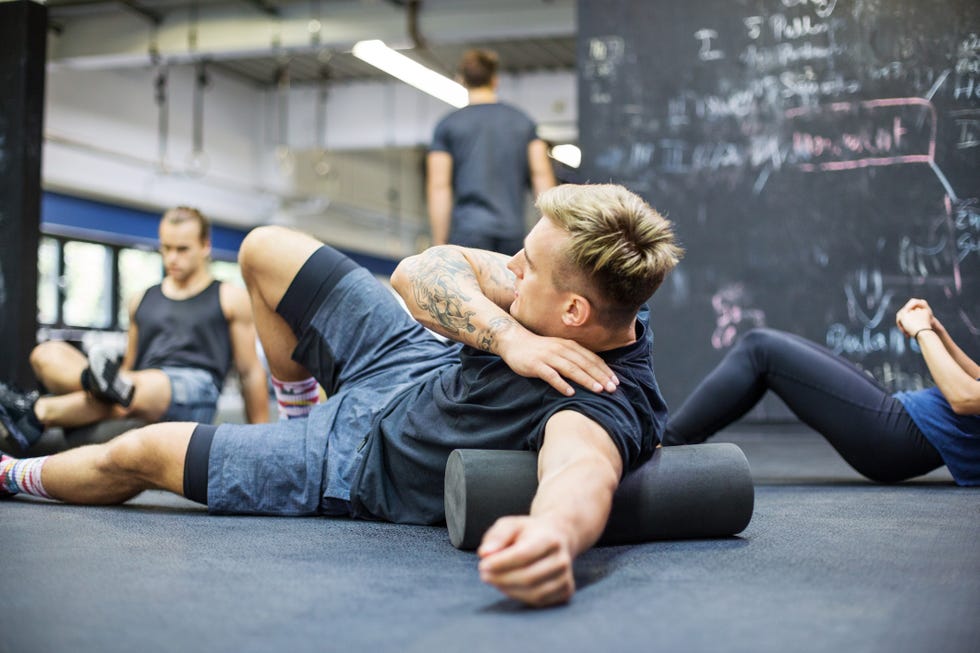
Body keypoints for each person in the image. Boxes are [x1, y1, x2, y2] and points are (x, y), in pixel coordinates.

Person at [0, 184, 682, 607]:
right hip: (409, 359)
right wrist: (508, 337)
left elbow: (581, 471)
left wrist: (554, 536)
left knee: (142, 450)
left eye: (525, 268)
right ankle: (300, 409)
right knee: (265, 249)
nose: (509, 268)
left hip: (353, 458)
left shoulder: (601, 397)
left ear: (572, 313)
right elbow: (422, 272)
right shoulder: (562, 299)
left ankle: (8, 472)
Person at [0, 207, 270, 453]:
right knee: (47, 353)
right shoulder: (141, 299)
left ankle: (37, 410)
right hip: (135, 390)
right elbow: (129, 365)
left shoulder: (230, 297)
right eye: (166, 248)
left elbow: (249, 373)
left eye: (182, 249)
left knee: (139, 384)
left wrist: (260, 442)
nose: (172, 258)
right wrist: (113, 385)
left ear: (205, 246)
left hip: (193, 389)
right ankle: (88, 388)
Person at [663, 299, 980, 486]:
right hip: (903, 418)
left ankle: (663, 448)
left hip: (898, 437)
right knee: (762, 350)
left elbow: (965, 399)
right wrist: (937, 330)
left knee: (761, 349)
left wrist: (922, 331)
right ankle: (668, 446)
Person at [427, 48, 557, 255]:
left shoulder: (447, 126)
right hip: (512, 232)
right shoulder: (523, 122)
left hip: (467, 232)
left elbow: (439, 187)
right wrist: (552, 231)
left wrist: (439, 242)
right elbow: (541, 175)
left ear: (462, 80)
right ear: (494, 80)